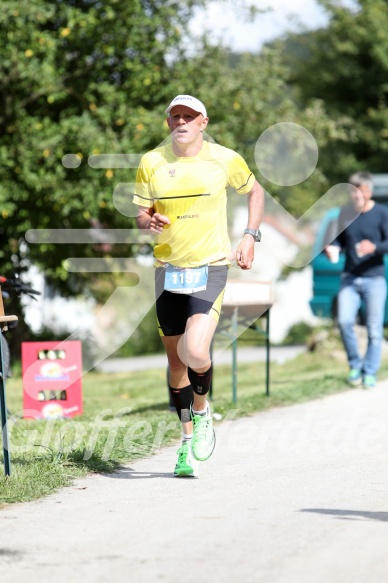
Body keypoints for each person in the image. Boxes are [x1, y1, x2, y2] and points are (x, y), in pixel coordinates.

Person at [133, 94, 264, 477]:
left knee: (195, 351)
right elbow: (142, 213)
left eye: (189, 116)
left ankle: (204, 412)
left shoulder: (224, 158)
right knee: (176, 366)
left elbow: (255, 191)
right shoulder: (151, 162)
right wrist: (148, 222)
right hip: (167, 271)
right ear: (168, 122)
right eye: (175, 116)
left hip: (210, 267)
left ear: (203, 122)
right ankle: (187, 443)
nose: (181, 122)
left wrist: (250, 236)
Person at [325, 171, 388, 388]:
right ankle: (355, 366)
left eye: (359, 191)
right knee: (344, 321)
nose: (355, 196)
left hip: (375, 279)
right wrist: (332, 249)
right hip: (349, 278)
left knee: (374, 329)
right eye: (352, 191)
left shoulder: (382, 214)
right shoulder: (344, 214)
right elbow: (338, 242)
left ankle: (369, 372)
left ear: (368, 192)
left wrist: (375, 247)